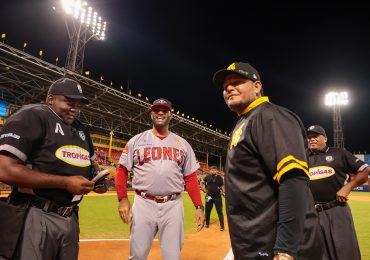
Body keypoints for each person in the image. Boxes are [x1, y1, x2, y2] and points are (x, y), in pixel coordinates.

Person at [213, 62, 323, 260]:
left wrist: (286, 249)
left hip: (273, 246)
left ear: (257, 87)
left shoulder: (270, 116)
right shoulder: (245, 121)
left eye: (237, 82)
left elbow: (293, 179)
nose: (228, 88)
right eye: (225, 86)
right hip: (254, 240)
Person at [0, 78, 107, 260]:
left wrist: (98, 182)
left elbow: (91, 169)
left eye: (79, 104)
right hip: (36, 213)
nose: (75, 108)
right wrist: (65, 183)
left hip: (70, 217)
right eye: (69, 102)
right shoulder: (33, 115)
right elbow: (5, 169)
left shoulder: (81, 130)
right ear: (51, 99)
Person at [115, 98, 205, 260]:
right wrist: (122, 199)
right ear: (151, 114)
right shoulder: (136, 140)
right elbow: (122, 170)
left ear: (171, 115)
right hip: (143, 204)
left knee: (172, 256)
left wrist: (199, 206)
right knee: (137, 255)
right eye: (156, 110)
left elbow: (190, 177)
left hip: (173, 205)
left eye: (165, 110)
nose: (160, 112)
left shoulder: (182, 144)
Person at [306, 125, 369, 260]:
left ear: (325, 138)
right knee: (318, 253)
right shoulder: (302, 157)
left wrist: (348, 187)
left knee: (345, 251)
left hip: (337, 209)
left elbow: (364, 171)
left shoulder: (338, 153)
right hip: (312, 213)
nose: (312, 140)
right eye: (309, 137)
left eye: (315, 136)